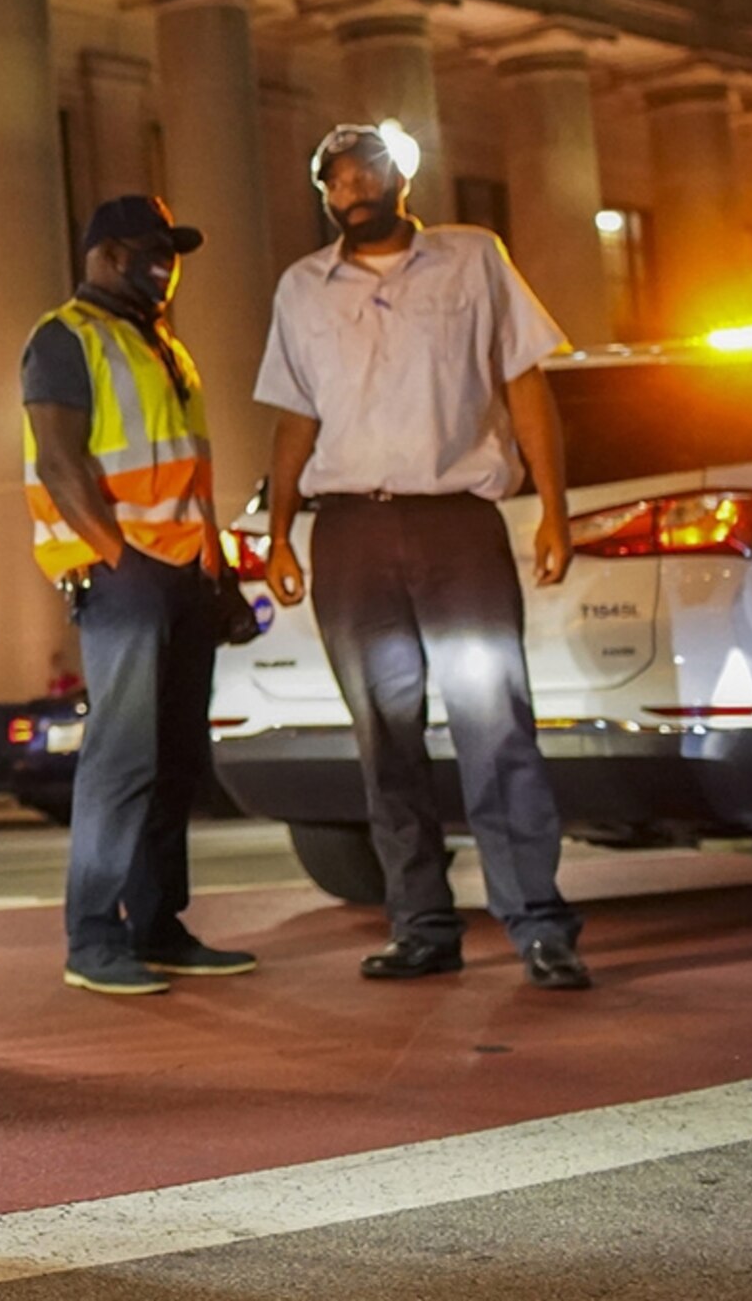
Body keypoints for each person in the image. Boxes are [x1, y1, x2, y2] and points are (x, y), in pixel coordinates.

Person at [256, 123, 590, 990]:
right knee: (384, 736)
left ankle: (539, 923)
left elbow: (526, 385)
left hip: (457, 528)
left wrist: (554, 511)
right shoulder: (301, 289)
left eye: (364, 169)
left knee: (495, 720)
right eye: (332, 178)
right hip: (351, 537)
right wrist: (278, 531)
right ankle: (422, 925)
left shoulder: (474, 258)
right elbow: (294, 416)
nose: (349, 187)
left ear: (400, 175)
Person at [22, 194, 256, 997]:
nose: (167, 265)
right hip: (126, 576)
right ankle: (93, 937)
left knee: (175, 759)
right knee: (121, 761)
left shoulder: (163, 346)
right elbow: (60, 462)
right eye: (152, 250)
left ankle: (158, 925)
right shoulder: (65, 337)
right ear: (106, 254)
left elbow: (188, 470)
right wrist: (120, 558)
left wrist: (216, 568)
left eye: (174, 251)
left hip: (187, 573)